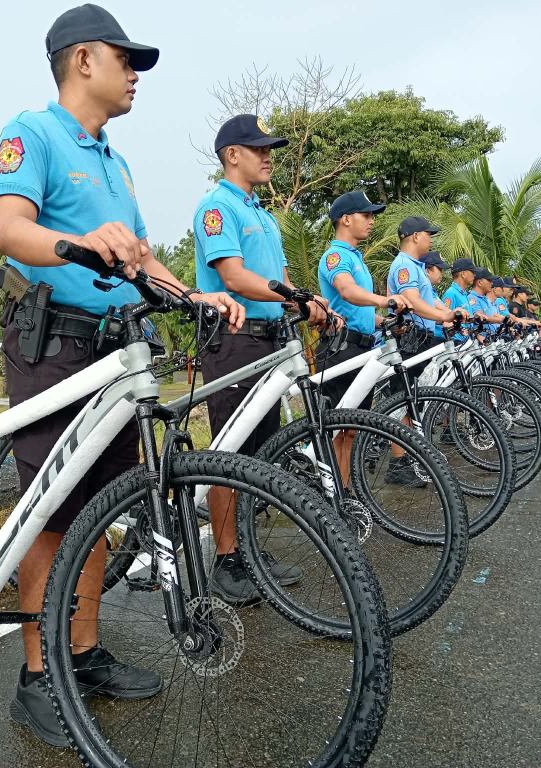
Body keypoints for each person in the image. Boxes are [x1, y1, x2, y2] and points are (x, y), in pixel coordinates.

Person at [0, 4, 244, 746]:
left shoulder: (114, 161)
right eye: (124, 58)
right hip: (51, 346)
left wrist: (193, 294)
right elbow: (9, 228)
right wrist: (78, 241)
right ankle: (37, 680)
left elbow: (139, 257)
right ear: (82, 60)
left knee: (103, 505)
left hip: (112, 346)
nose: (135, 74)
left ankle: (83, 652)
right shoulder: (30, 133)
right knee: (53, 511)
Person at [194, 113, 329, 604]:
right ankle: (226, 559)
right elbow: (232, 276)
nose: (268, 156)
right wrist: (294, 297)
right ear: (232, 155)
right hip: (234, 337)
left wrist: (303, 299)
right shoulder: (217, 207)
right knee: (229, 451)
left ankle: (247, 547)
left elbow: (280, 277)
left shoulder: (263, 213)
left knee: (260, 451)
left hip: (268, 336)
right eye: (259, 149)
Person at [316, 190, 408, 485]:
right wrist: (384, 300)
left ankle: (345, 491)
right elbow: (346, 291)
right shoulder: (336, 257)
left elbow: (357, 309)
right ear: (345, 219)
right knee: (336, 428)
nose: (371, 221)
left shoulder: (356, 258)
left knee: (352, 429)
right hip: (341, 349)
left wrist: (382, 322)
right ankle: (332, 492)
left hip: (362, 347)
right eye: (366, 215)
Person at [386, 217, 463, 483]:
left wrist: (450, 313)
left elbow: (431, 302)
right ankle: (397, 463)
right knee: (402, 401)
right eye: (428, 235)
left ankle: (406, 458)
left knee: (412, 402)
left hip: (421, 338)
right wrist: (444, 316)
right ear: (415, 236)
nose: (431, 240)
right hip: (409, 340)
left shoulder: (416, 267)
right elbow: (413, 302)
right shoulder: (404, 267)